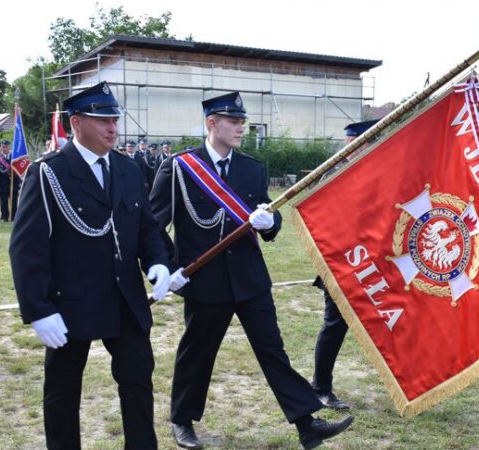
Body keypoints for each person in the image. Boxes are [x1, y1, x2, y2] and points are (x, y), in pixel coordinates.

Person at [150, 92, 353, 450]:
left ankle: (307, 423)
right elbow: (154, 225)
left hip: (249, 279)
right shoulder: (180, 167)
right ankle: (182, 421)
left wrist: (269, 221)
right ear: (212, 123)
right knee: (197, 354)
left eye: (243, 121)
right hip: (204, 281)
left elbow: (269, 224)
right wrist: (171, 269)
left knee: (272, 350)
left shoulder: (252, 168)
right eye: (234, 121)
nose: (241, 127)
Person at [9, 82, 171, 449]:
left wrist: (158, 262)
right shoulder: (49, 172)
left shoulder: (128, 170)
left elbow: (147, 227)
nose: (113, 128)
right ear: (76, 123)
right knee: (63, 391)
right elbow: (27, 248)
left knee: (138, 380)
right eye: (102, 120)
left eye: (114, 119)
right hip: (71, 302)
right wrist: (38, 310)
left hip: (124, 298)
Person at [309, 119, 377, 412]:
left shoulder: (378, 173)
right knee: (335, 326)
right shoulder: (331, 175)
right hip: (341, 264)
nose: (360, 148)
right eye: (357, 143)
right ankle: (320, 388)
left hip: (377, 264)